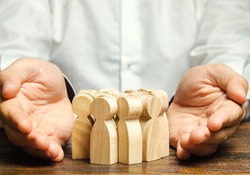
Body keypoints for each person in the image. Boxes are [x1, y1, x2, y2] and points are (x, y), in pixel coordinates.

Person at [0, 0, 249, 162]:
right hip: (66, 130)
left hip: (177, 128)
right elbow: (15, 44)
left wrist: (220, 88)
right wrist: (21, 89)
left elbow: (229, 43)